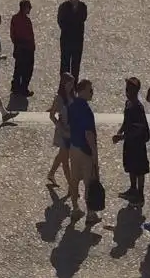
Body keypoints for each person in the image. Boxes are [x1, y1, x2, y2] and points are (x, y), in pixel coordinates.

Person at [64, 78, 98, 218]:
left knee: (74, 179)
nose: (92, 92)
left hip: (74, 147)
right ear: (82, 91)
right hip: (85, 150)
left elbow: (67, 126)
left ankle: (75, 208)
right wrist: (95, 155)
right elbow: (89, 134)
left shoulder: (72, 106)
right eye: (90, 90)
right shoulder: (86, 109)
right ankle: (90, 213)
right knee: (88, 181)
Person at [115, 76, 150, 201]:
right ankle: (132, 189)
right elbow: (126, 122)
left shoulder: (138, 107)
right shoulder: (128, 104)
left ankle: (140, 194)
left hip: (138, 143)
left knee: (139, 169)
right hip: (129, 142)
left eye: (129, 90)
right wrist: (120, 132)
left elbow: (138, 129)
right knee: (130, 166)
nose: (127, 92)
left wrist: (122, 136)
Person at [56, 0, 87, 81]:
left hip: (78, 40)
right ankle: (64, 84)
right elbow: (61, 22)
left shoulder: (82, 7)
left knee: (76, 65)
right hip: (66, 40)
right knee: (65, 64)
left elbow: (83, 18)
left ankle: (74, 84)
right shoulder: (64, 7)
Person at [9, 0, 36, 96]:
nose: (30, 9)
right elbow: (30, 35)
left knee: (18, 68)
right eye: (29, 7)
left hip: (18, 47)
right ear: (25, 8)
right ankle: (24, 89)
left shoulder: (14, 18)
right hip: (27, 48)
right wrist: (33, 47)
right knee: (27, 70)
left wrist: (16, 44)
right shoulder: (27, 21)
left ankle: (15, 87)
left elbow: (12, 33)